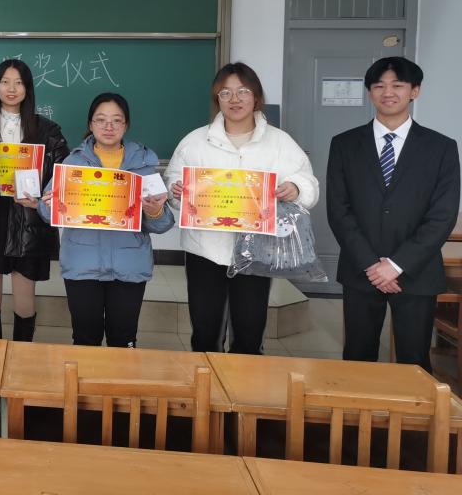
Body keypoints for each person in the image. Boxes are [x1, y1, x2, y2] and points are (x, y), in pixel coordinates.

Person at [164, 62, 318, 354]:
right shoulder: (195, 141)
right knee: (205, 332)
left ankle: (242, 382)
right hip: (204, 250)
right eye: (226, 93)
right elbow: (173, 181)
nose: (234, 99)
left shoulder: (279, 142)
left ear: (256, 97)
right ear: (217, 98)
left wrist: (296, 188)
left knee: (249, 333)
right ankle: (206, 381)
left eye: (243, 91)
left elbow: (308, 181)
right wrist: (176, 191)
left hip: (256, 251)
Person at [327, 57, 459, 371]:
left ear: (415, 91)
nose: (388, 92)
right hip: (361, 270)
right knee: (357, 357)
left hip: (416, 271)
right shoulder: (344, 144)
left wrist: (397, 265)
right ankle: (359, 406)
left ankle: (412, 408)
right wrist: (372, 265)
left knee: (414, 361)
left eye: (397, 85)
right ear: (370, 93)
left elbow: (442, 215)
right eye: (379, 86)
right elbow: (338, 210)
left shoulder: (441, 147)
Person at [37, 93, 172, 347]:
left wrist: (155, 211)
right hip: (82, 266)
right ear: (90, 124)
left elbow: (162, 224)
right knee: (85, 340)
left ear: (126, 125)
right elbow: (47, 214)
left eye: (116, 120)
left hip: (129, 266)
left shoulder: (143, 166)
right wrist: (49, 205)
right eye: (101, 120)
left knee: (124, 341)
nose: (108, 127)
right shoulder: (73, 163)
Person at [0, 59, 69, 341]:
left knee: (24, 300)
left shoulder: (47, 130)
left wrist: (42, 199)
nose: (11, 89)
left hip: (28, 218)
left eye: (18, 82)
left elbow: (61, 176)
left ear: (28, 88)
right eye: (5, 82)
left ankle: (22, 357)